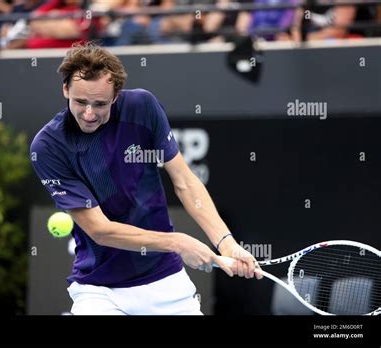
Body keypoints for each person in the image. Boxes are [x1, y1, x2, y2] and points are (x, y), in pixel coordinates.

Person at [30, 42, 262, 315]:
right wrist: (178, 242)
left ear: (115, 95)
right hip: (100, 291)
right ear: (66, 90)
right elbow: (101, 230)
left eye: (100, 104)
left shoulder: (143, 106)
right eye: (80, 102)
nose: (89, 113)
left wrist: (227, 244)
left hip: (166, 282)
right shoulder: (48, 146)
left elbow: (185, 181)